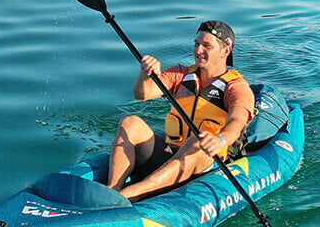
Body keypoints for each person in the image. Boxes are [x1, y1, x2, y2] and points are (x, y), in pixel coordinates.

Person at [107, 21, 255, 201]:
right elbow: (142, 94)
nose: (198, 50)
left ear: (225, 51)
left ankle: (128, 195)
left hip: (206, 163)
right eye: (196, 43)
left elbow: (237, 122)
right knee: (130, 122)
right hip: (171, 153)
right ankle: (113, 190)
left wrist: (220, 139)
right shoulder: (181, 75)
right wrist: (145, 75)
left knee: (196, 142)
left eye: (207, 46)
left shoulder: (236, 87)